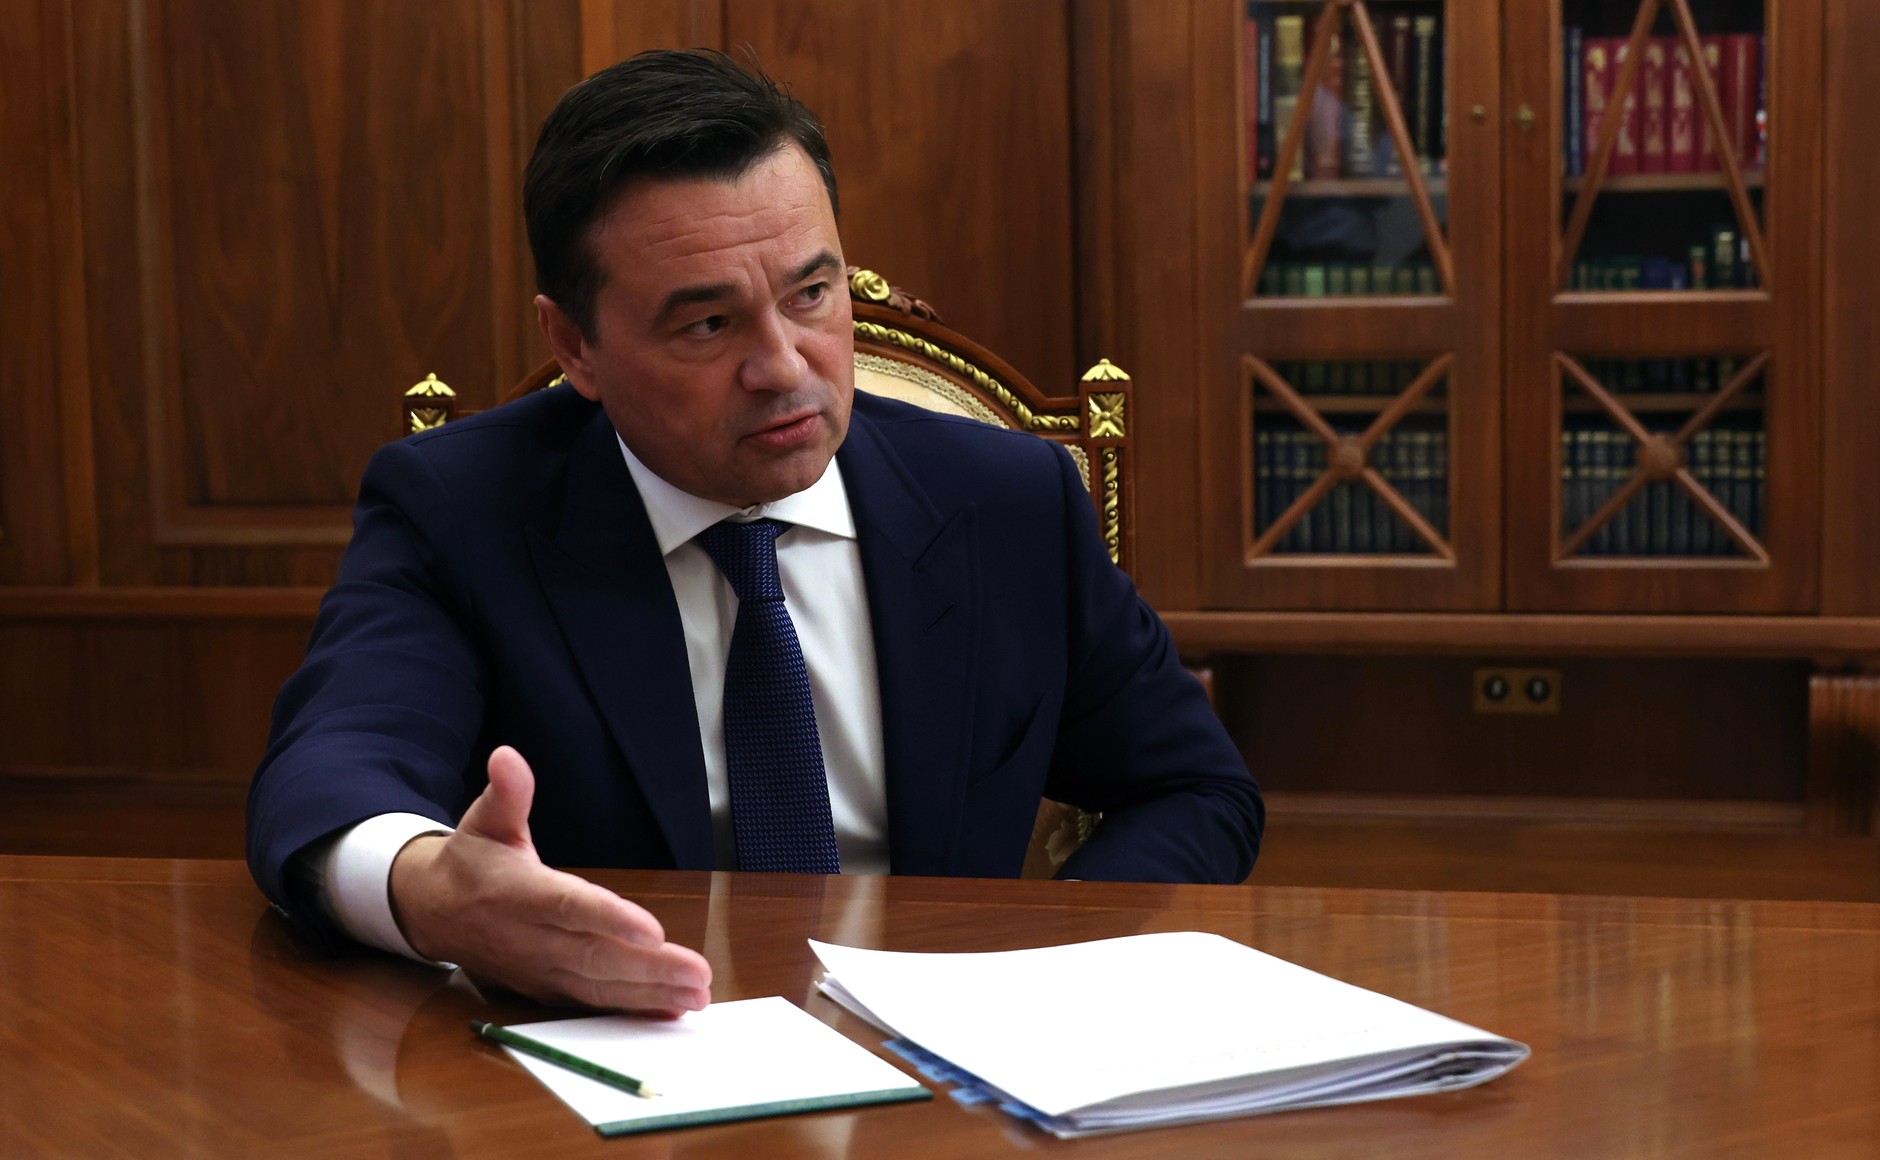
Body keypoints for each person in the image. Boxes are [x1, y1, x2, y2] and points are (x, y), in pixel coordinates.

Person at [246, 49, 1261, 1018]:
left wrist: (1038, 965)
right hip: (623, 1049)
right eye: (707, 324)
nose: (783, 367)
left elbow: (1192, 787)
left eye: (810, 294)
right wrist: (430, 889)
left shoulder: (1005, 502)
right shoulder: (462, 508)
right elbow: (331, 770)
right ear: (575, 346)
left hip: (949, 1066)